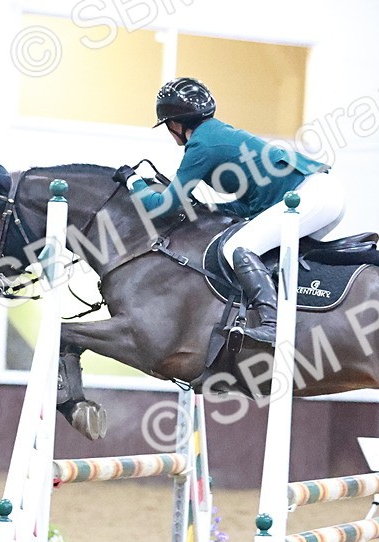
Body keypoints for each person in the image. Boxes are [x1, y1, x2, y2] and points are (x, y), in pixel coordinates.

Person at [111, 77, 345, 344]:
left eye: (167, 126)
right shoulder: (215, 133)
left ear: (175, 124)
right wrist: (206, 208)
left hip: (312, 197)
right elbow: (247, 207)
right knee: (265, 252)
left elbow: (162, 206)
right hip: (320, 195)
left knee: (237, 247)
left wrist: (132, 180)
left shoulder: (201, 145)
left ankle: (272, 325)